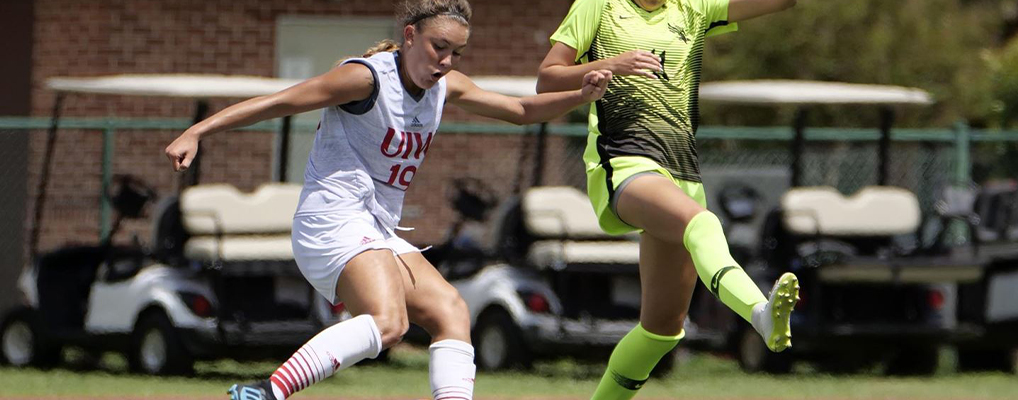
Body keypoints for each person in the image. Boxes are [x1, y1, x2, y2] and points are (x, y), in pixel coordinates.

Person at [164, 1, 612, 399]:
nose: (447, 61)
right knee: (389, 323)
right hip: (332, 218)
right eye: (439, 47)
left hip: (375, 227)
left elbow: (519, 111)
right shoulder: (366, 78)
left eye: (457, 53)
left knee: (450, 311)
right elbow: (279, 102)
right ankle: (265, 393)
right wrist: (198, 131)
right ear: (410, 35)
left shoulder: (445, 85)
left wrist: (581, 95)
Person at [536, 0, 797, 398]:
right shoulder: (597, 6)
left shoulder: (693, 7)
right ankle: (759, 314)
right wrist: (611, 65)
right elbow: (547, 78)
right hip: (625, 164)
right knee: (704, 224)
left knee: (661, 330)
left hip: (684, 175)